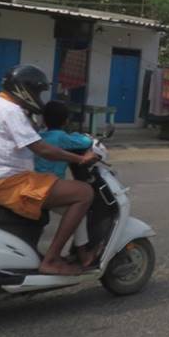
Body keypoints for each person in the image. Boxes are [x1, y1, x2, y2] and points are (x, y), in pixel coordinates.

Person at [0, 65, 96, 276]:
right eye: (37, 91)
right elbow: (42, 149)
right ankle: (51, 260)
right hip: (10, 183)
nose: (38, 97)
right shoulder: (10, 111)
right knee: (84, 192)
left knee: (66, 197)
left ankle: (76, 252)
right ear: (24, 90)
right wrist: (80, 158)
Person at [37, 100, 97, 268]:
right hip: (53, 188)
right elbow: (85, 143)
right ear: (65, 121)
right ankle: (83, 254)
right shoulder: (62, 138)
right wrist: (85, 137)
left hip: (35, 185)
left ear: (44, 120)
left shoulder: (40, 136)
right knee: (79, 209)